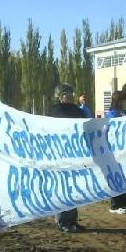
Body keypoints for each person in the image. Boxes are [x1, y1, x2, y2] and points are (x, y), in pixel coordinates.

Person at [49, 84, 87, 232]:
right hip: (61, 155)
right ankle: (63, 221)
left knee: (73, 189)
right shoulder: (55, 110)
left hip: (75, 155)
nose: (69, 95)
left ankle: (72, 220)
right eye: (66, 93)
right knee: (64, 188)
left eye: (71, 92)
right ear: (59, 96)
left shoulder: (77, 110)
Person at [105, 91, 126, 214]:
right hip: (115, 150)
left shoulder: (125, 113)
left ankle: (125, 202)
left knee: (125, 176)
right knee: (116, 176)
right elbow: (111, 130)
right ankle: (116, 204)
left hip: (125, 149)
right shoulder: (112, 114)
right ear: (121, 100)